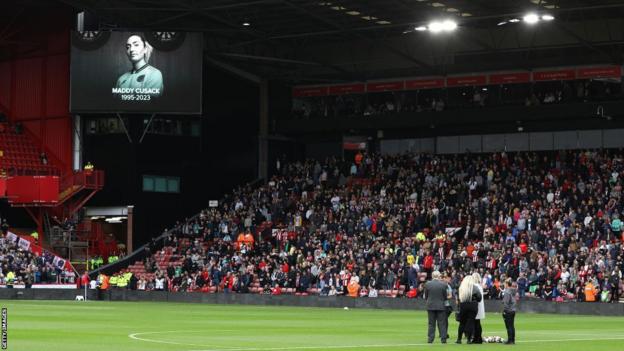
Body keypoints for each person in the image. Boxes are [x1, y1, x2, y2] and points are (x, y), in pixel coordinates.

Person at [424, 271, 449, 344]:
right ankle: (443, 339)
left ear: (432, 276)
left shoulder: (427, 284)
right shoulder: (444, 285)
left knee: (431, 323)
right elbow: (445, 297)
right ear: (439, 276)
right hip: (441, 306)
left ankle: (430, 339)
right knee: (442, 323)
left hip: (430, 306)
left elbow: (426, 296)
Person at [456, 275, 481, 344]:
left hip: (463, 305)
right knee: (471, 322)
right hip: (473, 305)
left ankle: (459, 339)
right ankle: (469, 340)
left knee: (462, 322)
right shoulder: (475, 287)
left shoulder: (462, 287)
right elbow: (479, 297)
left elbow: (459, 298)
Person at [502, 279, 517, 344]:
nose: (504, 285)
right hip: (513, 310)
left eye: (505, 283)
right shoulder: (513, 290)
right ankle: (512, 340)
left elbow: (506, 303)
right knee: (512, 326)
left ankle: (510, 340)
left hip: (508, 311)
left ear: (507, 284)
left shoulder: (507, 292)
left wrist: (505, 311)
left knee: (508, 326)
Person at [472, 272, 485, 344]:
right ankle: (478, 338)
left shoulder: (474, 286)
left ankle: (476, 338)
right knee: (477, 323)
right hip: (480, 306)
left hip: (475, 306)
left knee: (475, 323)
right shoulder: (480, 286)